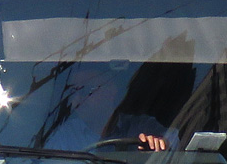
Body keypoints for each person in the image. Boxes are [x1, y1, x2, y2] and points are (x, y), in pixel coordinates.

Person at [36, 64, 174, 152]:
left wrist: (162, 144)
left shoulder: (141, 127)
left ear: (111, 90)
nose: (77, 99)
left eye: (85, 91)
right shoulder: (63, 137)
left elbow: (178, 141)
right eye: (73, 92)